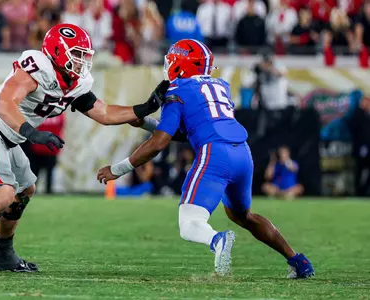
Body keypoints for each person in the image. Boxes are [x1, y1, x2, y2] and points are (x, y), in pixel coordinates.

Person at [0, 23, 169, 275]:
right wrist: (32, 133)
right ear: (57, 51)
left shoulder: (75, 83)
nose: (82, 61)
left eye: (85, 56)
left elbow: (105, 113)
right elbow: (3, 104)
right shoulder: (37, 67)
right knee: (2, 197)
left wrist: (146, 106)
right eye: (77, 54)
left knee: (24, 190)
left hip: (10, 137)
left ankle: (2, 253)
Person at [97, 39, 314, 279]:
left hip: (215, 154)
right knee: (244, 216)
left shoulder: (177, 91)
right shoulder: (220, 86)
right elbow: (191, 130)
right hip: (242, 153)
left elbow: (161, 142)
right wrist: (146, 122)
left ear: (178, 65)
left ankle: (217, 240)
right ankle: (298, 260)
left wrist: (118, 169)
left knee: (189, 222)